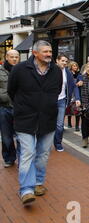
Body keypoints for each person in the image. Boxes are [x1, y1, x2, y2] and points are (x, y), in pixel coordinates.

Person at [8, 41, 62, 205]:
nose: (49, 54)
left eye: (50, 51)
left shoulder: (56, 71)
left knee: (43, 155)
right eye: (45, 51)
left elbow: (58, 91)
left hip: (48, 119)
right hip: (25, 119)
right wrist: (22, 107)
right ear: (35, 53)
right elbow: (11, 91)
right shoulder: (20, 69)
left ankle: (38, 183)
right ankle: (26, 190)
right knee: (28, 153)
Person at [54, 54, 80, 152]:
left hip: (62, 100)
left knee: (60, 124)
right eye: (62, 61)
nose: (64, 63)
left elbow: (74, 86)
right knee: (49, 124)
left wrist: (77, 98)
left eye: (66, 61)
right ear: (57, 61)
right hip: (50, 101)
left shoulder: (68, 73)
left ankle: (58, 143)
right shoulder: (50, 70)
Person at [0, 50, 21, 168]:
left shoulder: (22, 71)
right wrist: (5, 96)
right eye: (12, 57)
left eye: (16, 57)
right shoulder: (0, 70)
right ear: (6, 57)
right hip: (4, 107)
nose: (14, 59)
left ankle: (22, 158)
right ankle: (9, 158)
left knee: (21, 135)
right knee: (6, 136)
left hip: (19, 108)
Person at [67, 61, 82, 131]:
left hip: (77, 93)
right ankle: (69, 123)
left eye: (76, 66)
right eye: (74, 66)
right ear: (71, 67)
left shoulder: (79, 74)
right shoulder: (68, 73)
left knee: (77, 109)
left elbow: (81, 80)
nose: (75, 67)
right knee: (69, 108)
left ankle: (77, 125)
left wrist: (81, 81)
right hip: (69, 93)